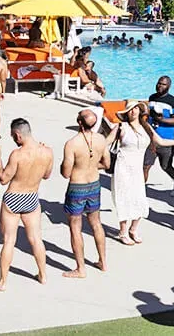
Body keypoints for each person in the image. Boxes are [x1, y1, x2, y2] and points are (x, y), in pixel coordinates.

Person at [107, 101, 174, 245]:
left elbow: (160, 141)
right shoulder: (121, 127)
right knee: (124, 199)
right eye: (130, 109)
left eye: (136, 108)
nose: (133, 111)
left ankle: (133, 229)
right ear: (126, 113)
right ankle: (123, 231)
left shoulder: (146, 128)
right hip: (122, 167)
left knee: (140, 199)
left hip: (137, 168)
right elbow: (106, 142)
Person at [0, 118, 53, 291]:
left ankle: (2, 282)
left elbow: (3, 179)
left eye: (13, 136)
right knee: (36, 239)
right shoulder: (47, 151)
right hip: (32, 197)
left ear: (18, 135)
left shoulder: (17, 155)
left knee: (9, 240)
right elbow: (47, 175)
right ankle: (43, 275)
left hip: (14, 197)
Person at [61, 109, 109, 278]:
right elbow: (107, 164)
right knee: (96, 223)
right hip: (94, 184)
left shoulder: (72, 144)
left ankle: (81, 269)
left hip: (77, 185)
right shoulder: (101, 139)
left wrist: (77, 166)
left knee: (75, 226)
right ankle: (103, 261)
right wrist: (92, 165)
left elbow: (66, 173)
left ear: (79, 123)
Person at [145, 76, 174, 195]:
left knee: (166, 166)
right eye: (158, 83)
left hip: (167, 140)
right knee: (146, 165)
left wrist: (161, 120)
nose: (160, 86)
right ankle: (140, 190)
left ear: (169, 86)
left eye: (163, 84)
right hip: (151, 139)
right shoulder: (152, 98)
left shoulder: (173, 101)